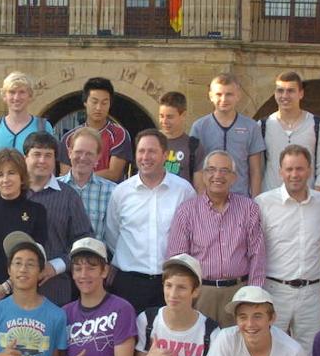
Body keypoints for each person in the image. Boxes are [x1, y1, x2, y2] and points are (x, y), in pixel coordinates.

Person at [167, 150, 266, 327]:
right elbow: (178, 260)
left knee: (237, 348)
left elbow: (257, 256)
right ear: (204, 175)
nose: (217, 175)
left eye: (225, 170)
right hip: (201, 293)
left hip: (238, 293)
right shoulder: (187, 211)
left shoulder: (249, 209)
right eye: (211, 169)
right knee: (202, 348)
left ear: (234, 177)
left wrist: (253, 296)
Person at [105, 129, 196, 313]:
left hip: (170, 284)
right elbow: (112, 236)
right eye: (141, 151)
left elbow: (192, 235)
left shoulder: (183, 191)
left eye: (152, 151)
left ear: (164, 155)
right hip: (128, 284)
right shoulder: (121, 192)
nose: (145, 157)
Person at [256, 146, 320, 354]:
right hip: (275, 290)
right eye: (289, 169)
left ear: (309, 170)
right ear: (280, 171)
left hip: (311, 292)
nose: (294, 174)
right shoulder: (264, 203)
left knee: (312, 353)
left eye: (300, 169)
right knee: (271, 350)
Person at [0, 149, 49, 302]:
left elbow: (37, 257)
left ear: (21, 176)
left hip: (22, 295)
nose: (5, 179)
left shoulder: (37, 211)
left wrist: (5, 287)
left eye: (11, 173)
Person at [24, 132, 94, 306]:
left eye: (48, 155)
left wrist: (54, 266)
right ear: (25, 157)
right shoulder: (10, 194)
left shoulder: (69, 197)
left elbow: (84, 243)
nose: (42, 160)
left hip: (55, 290)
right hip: (13, 292)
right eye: (37, 154)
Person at [189, 73, 266, 198]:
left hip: (241, 198)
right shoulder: (199, 127)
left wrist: (256, 202)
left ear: (238, 96)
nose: (224, 99)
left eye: (229, 94)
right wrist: (202, 202)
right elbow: (197, 169)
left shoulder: (251, 127)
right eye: (219, 94)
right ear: (210, 96)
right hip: (209, 198)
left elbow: (255, 171)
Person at [259, 71, 320, 193]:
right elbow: (258, 169)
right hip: (272, 201)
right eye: (280, 91)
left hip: (306, 201)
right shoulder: (263, 126)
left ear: (301, 93)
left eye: (290, 91)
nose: (284, 95)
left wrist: (316, 195)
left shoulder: (317, 125)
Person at [58, 77, 132, 182]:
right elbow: (65, 175)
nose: (98, 107)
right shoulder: (69, 138)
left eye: (104, 103)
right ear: (85, 102)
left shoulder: (119, 134)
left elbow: (114, 173)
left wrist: (80, 175)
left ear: (110, 104)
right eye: (94, 102)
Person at [57, 127, 117, 243]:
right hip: (61, 260)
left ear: (98, 157)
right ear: (69, 153)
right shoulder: (54, 188)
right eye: (78, 152)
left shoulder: (112, 192)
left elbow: (114, 237)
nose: (83, 158)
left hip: (96, 259)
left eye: (89, 154)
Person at [0, 71, 55, 154]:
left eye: (22, 92)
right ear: (4, 96)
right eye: (12, 92)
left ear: (30, 96)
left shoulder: (43, 127)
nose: (16, 98)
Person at [157, 91, 206, 191]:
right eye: (161, 116)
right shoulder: (150, 141)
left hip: (183, 203)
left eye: (169, 117)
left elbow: (199, 187)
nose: (164, 121)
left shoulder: (193, 146)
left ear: (183, 115)